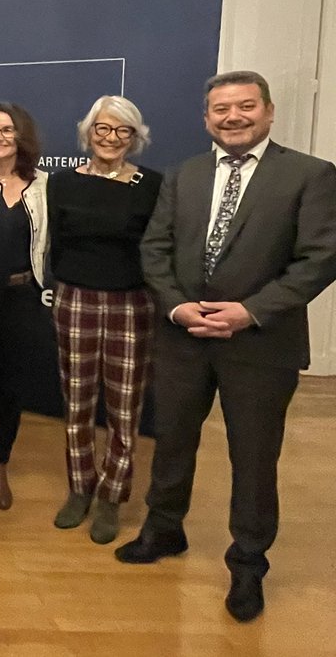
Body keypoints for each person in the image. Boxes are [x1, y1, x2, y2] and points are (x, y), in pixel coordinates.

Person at [117, 71, 336, 623]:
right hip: (183, 336)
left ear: (268, 111)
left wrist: (250, 311)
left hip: (261, 343)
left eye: (244, 107)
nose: (232, 117)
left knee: (254, 458)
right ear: (205, 117)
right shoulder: (184, 175)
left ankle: (247, 564)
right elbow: (155, 249)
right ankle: (164, 530)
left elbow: (320, 258)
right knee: (171, 442)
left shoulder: (309, 175)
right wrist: (176, 306)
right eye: (220, 109)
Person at [47, 95, 162, 546]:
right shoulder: (61, 182)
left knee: (124, 407)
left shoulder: (151, 184)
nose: (111, 139)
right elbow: (54, 240)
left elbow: (157, 246)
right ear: (87, 133)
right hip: (74, 299)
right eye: (102, 129)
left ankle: (112, 496)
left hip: (132, 305)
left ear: (135, 137)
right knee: (76, 401)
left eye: (122, 131)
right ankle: (80, 488)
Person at [0, 102, 51, 510]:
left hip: (22, 297)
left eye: (6, 130)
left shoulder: (42, 186)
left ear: (21, 137)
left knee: (11, 385)